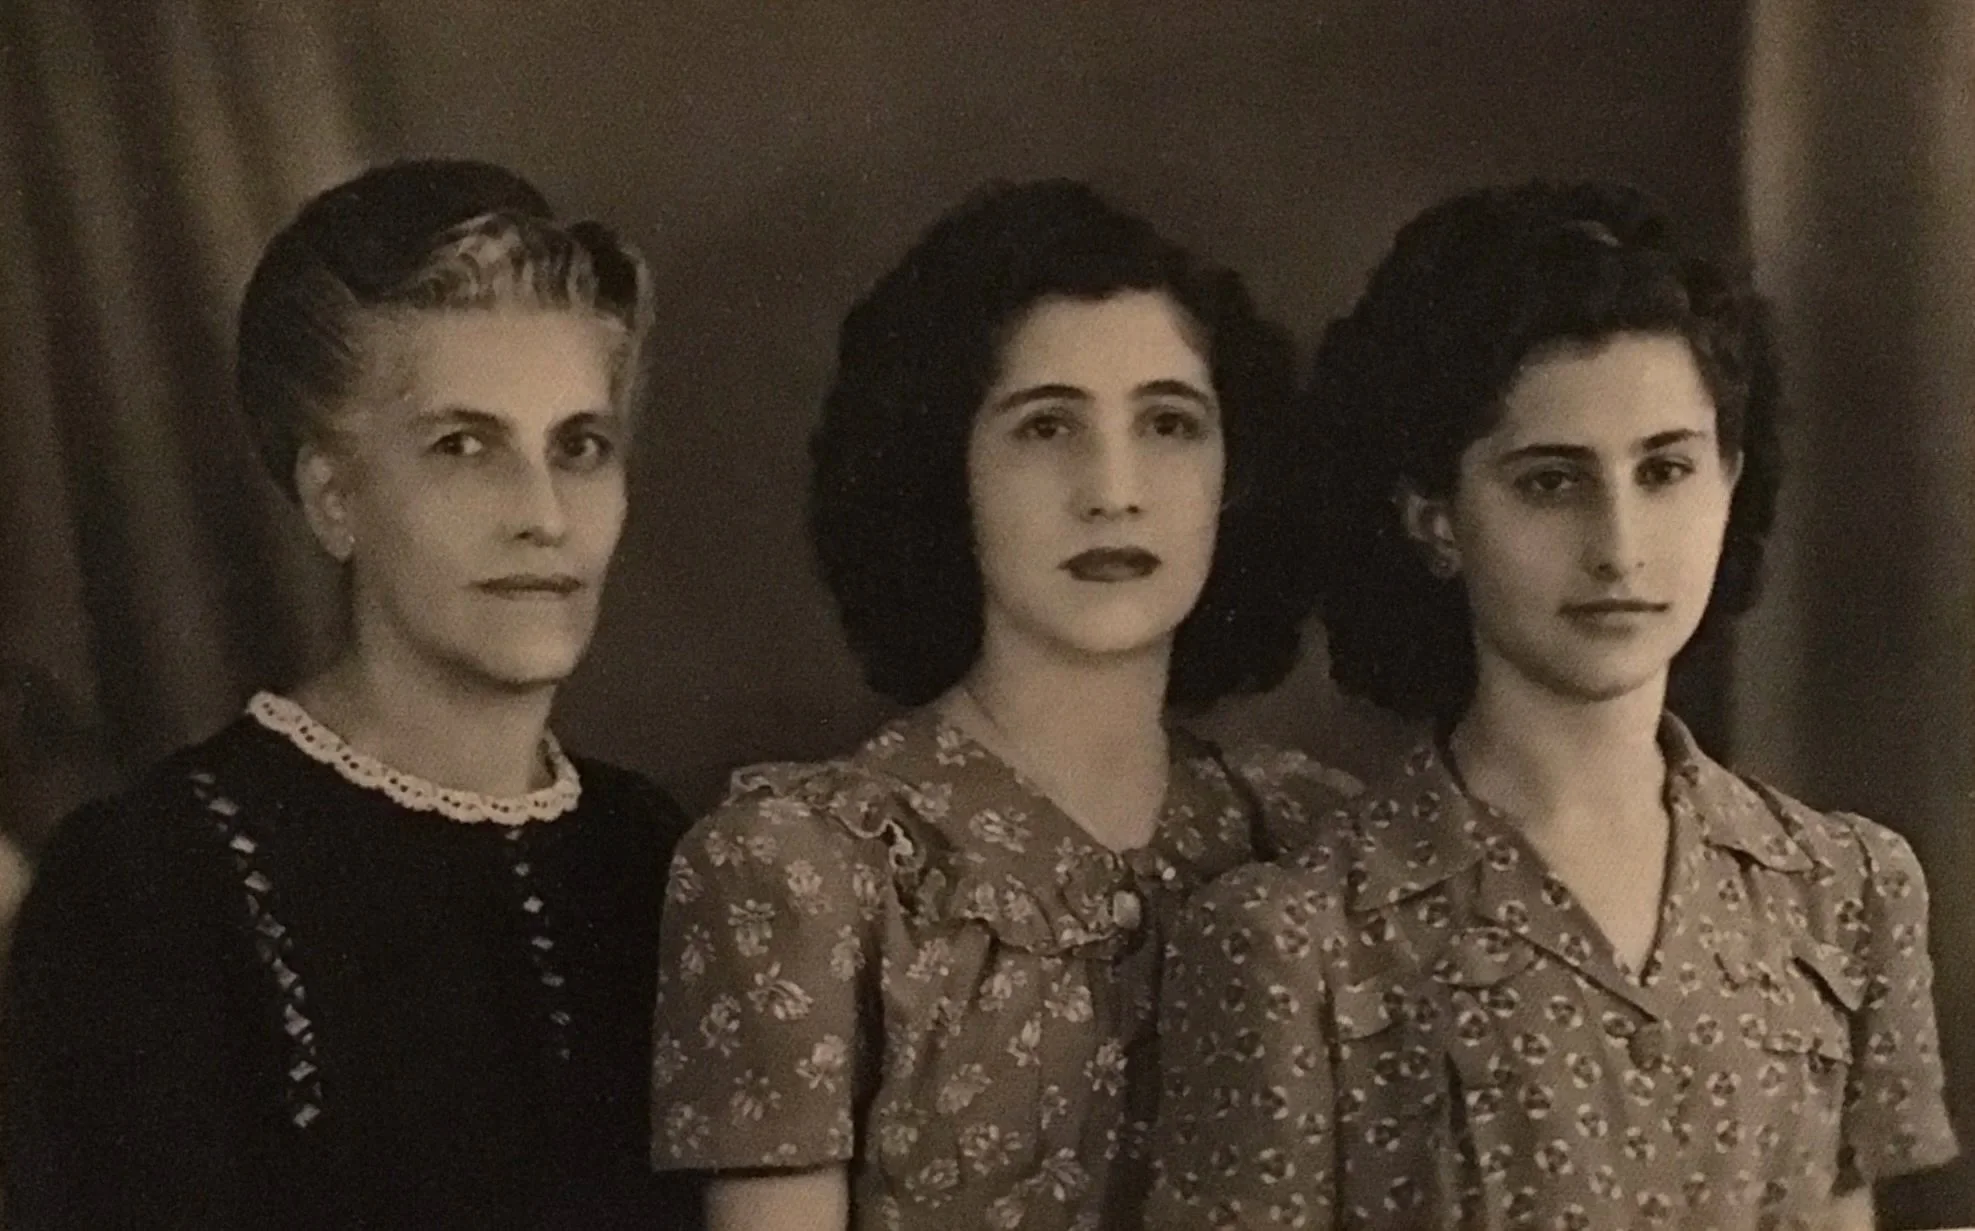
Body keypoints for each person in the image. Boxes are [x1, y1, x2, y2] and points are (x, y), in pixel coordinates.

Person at [1147, 180, 1958, 1230]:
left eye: (1664, 469)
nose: (1619, 545)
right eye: (1549, 481)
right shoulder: (1292, 942)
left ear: (1728, 482)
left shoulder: (1848, 893)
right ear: (1433, 519)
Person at [647, 179, 1357, 1231]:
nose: (1113, 487)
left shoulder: (1307, 836)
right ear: (944, 471)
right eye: (1044, 428)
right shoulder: (799, 869)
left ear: (1232, 472)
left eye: (1169, 423)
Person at [3, 159, 700, 1229]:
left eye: (581, 446)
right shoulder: (154, 883)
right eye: (464, 446)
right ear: (333, 497)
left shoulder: (656, 850)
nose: (545, 516)